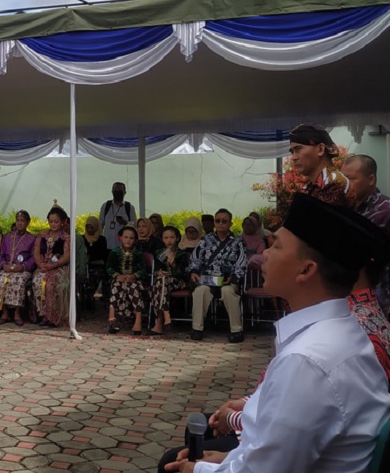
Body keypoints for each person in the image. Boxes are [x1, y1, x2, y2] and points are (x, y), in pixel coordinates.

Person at [164, 194, 390, 473]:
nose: (265, 254)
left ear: (306, 270)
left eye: (277, 247)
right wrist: (226, 460)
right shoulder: (339, 332)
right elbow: (270, 450)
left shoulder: (307, 360)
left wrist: (196, 470)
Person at [187, 209, 248, 342]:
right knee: (200, 291)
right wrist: (193, 272)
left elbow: (242, 263)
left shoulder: (238, 242)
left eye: (224, 221)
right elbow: (195, 259)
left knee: (228, 292)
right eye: (217, 220)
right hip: (208, 279)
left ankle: (236, 331)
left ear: (230, 223)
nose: (220, 224)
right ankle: (197, 329)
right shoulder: (205, 240)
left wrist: (234, 277)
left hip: (227, 280)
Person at [344, 154, 390, 312]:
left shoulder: (385, 210)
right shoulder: (344, 210)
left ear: (371, 179)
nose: (346, 185)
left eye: (351, 179)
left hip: (382, 299)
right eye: (343, 180)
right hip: (350, 299)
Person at [0, 210, 36, 326]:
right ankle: (4, 312)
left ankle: (17, 313)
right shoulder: (7, 237)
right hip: (7, 268)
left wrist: (23, 267)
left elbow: (33, 258)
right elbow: (1, 255)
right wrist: (3, 266)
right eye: (18, 220)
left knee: (17, 282)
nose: (19, 223)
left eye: (22, 221)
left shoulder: (32, 239)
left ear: (28, 222)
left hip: (22, 270)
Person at [288, 122, 349, 206]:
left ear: (320, 149)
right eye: (292, 152)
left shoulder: (333, 183)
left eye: (298, 149)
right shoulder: (314, 185)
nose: (293, 157)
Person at [31, 206, 71, 328]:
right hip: (43, 267)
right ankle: (42, 315)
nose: (53, 224)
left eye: (56, 221)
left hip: (59, 268)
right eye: (51, 221)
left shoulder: (66, 237)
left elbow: (67, 256)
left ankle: (53, 317)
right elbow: (36, 252)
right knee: (37, 281)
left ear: (62, 222)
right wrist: (40, 264)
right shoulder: (41, 236)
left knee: (51, 284)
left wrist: (53, 265)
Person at [106, 225, 146, 334]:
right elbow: (109, 268)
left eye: (131, 238)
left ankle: (138, 321)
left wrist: (134, 276)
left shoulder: (138, 253)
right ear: (121, 238)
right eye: (126, 237)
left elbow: (143, 269)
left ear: (135, 240)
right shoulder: (114, 252)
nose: (128, 240)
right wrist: (117, 276)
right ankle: (112, 319)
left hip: (133, 280)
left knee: (133, 288)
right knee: (115, 286)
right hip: (119, 279)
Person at [150, 226, 189, 335]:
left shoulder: (181, 254)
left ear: (177, 238)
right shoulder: (159, 253)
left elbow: (182, 274)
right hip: (164, 282)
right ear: (162, 239)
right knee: (161, 281)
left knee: (160, 283)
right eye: (166, 238)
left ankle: (159, 323)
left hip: (178, 281)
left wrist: (173, 264)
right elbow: (155, 270)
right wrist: (158, 272)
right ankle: (166, 314)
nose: (169, 240)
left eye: (172, 237)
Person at [98, 181, 137, 249]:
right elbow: (100, 225)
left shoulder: (129, 207)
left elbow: (135, 226)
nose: (117, 192)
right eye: (115, 190)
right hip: (107, 245)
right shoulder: (106, 206)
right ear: (112, 191)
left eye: (120, 190)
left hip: (124, 247)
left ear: (124, 192)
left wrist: (125, 223)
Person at [84, 215, 109, 301]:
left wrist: (90, 257)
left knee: (94, 276)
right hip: (84, 266)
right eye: (87, 227)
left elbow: (103, 254)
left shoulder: (102, 239)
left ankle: (89, 297)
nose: (89, 230)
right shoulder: (82, 238)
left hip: (97, 266)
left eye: (91, 227)